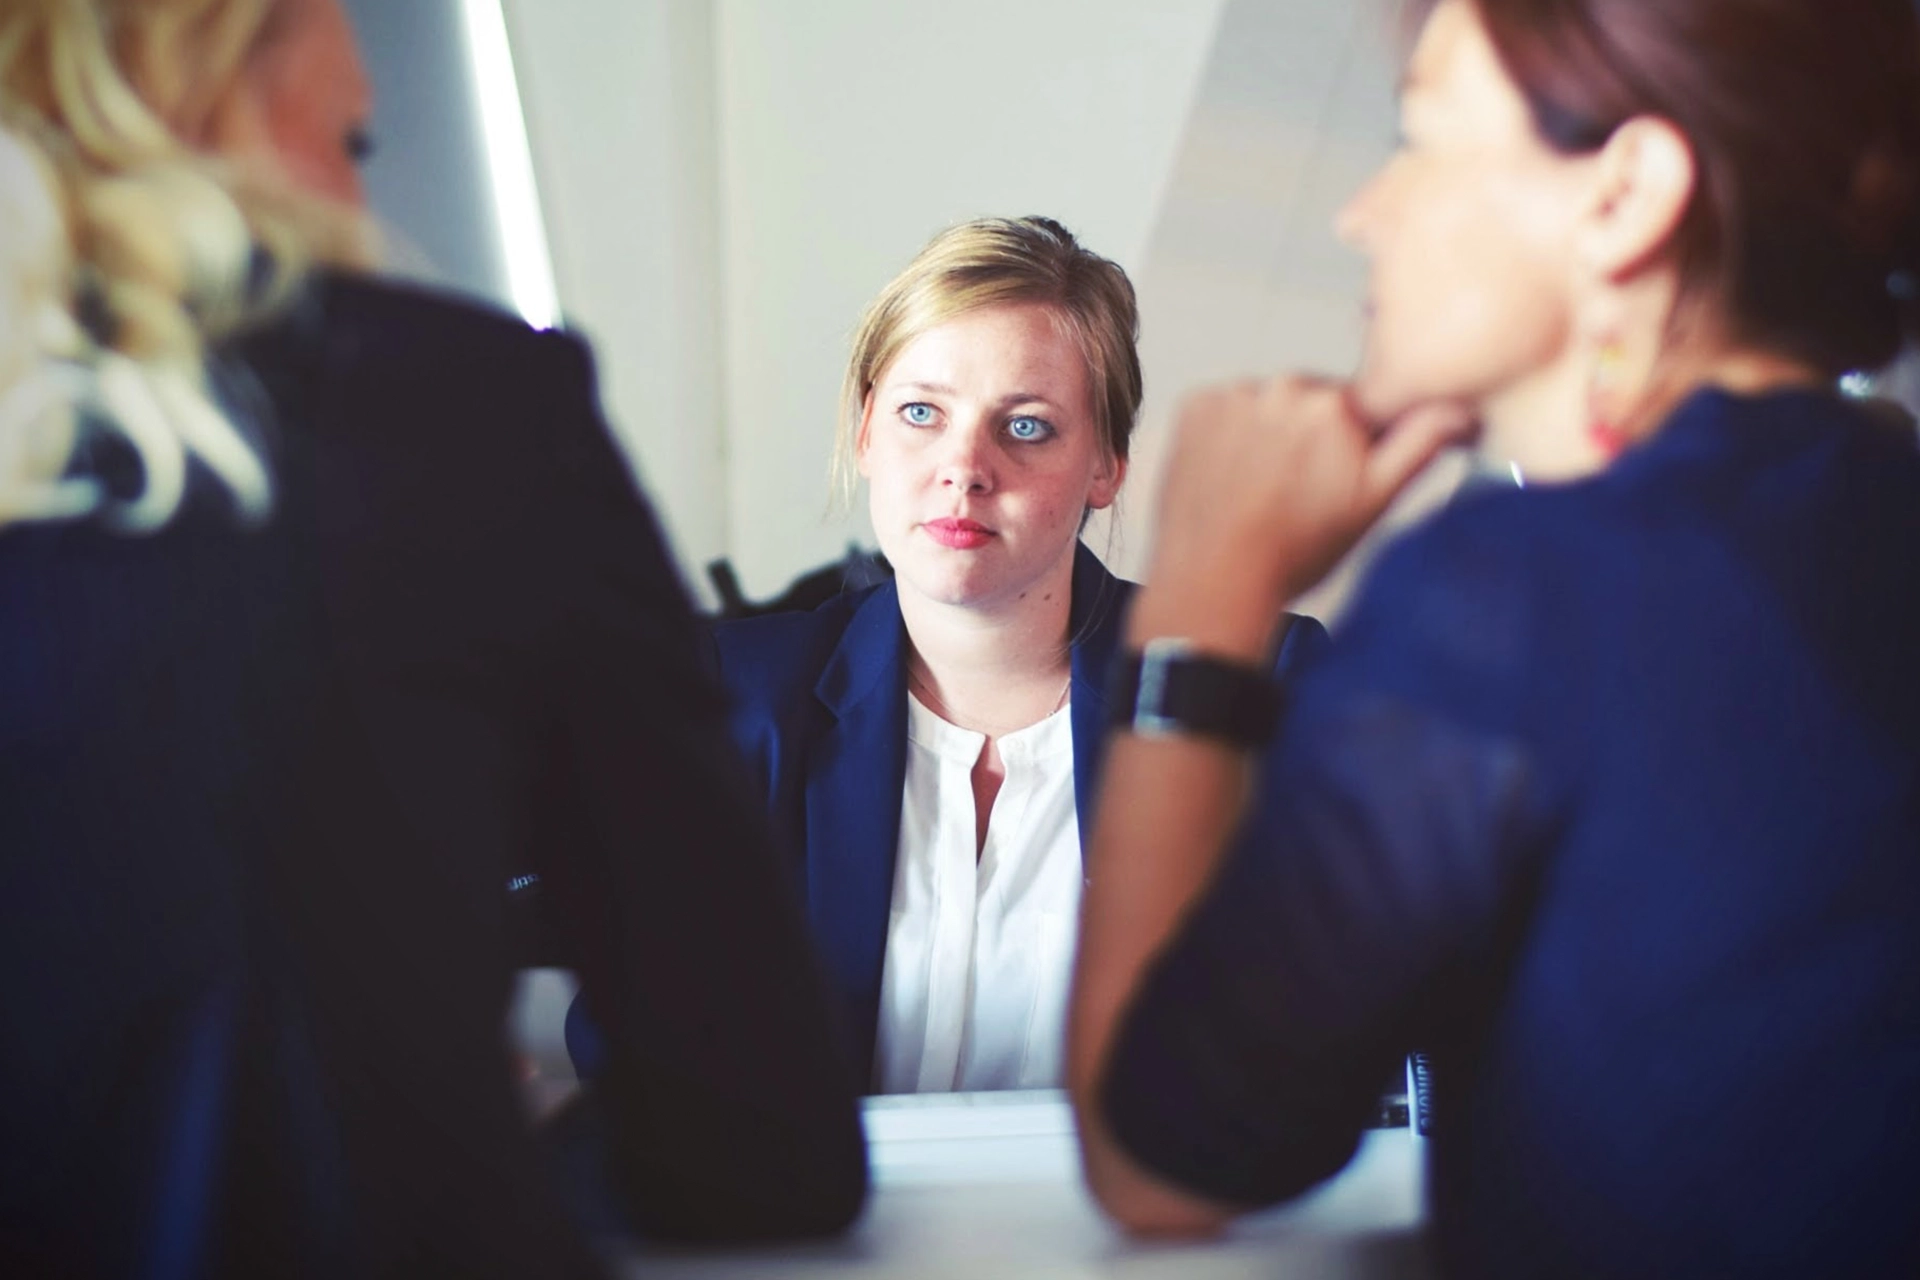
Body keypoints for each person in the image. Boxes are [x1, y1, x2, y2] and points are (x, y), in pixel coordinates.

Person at [0, 2, 865, 1276]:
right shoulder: (464, 415)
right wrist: (459, 1127)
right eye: (353, 140)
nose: (355, 201)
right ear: (205, 77)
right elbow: (759, 1142)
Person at [1067, 1, 1920, 1277]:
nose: (1366, 212)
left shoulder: (1515, 594)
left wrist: (1203, 585)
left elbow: (1162, 1159)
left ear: (1624, 195)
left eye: (1422, 139)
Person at [703, 217, 1328, 1093]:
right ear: (866, 434)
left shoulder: (1258, 685)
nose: (964, 468)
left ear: (1106, 466)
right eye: (922, 413)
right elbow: (634, 1054)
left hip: (1142, 1228)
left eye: (1026, 427)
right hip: (817, 1229)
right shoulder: (733, 699)